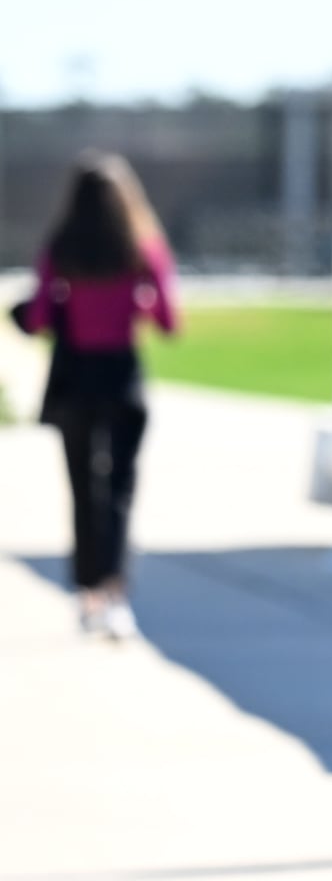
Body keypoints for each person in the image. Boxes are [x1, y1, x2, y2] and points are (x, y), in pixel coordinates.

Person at [13, 149, 180, 640]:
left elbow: (39, 317)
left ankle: (87, 595)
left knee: (84, 489)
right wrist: (135, 301)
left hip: (76, 382)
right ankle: (115, 593)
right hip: (122, 378)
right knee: (121, 489)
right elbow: (168, 320)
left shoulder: (61, 248)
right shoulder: (141, 248)